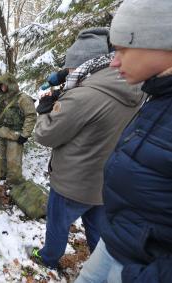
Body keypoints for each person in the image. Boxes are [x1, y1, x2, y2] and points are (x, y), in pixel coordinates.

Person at [26, 27, 145, 270]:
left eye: (71, 68)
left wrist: (46, 110)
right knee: (97, 229)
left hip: (72, 182)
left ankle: (48, 258)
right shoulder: (133, 88)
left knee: (58, 225)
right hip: (104, 181)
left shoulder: (83, 96)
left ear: (84, 65)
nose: (68, 72)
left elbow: (44, 134)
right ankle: (100, 267)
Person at [75, 1, 172, 282]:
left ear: (160, 43)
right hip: (119, 241)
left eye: (121, 49)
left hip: (140, 266)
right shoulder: (156, 97)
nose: (113, 61)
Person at [0, 73, 36, 185]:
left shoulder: (23, 98)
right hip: (2, 133)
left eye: (4, 85)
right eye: (0, 85)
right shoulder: (1, 99)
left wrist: (25, 134)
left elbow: (31, 116)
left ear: (10, 84)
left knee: (13, 163)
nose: (2, 87)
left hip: (16, 135)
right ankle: (2, 178)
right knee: (2, 160)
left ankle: (14, 184)